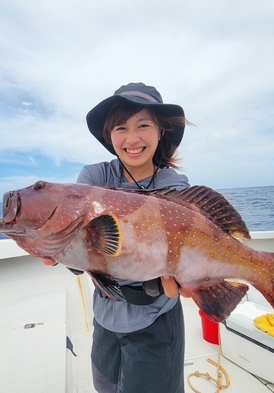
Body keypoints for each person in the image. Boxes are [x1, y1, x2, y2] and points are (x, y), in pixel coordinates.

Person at [77, 82, 190, 393]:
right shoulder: (94, 178)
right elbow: (78, 244)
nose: (132, 138)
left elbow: (177, 262)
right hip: (106, 317)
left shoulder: (175, 186)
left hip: (156, 319)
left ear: (161, 131)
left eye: (143, 125)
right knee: (106, 388)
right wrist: (60, 247)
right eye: (121, 128)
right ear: (109, 136)